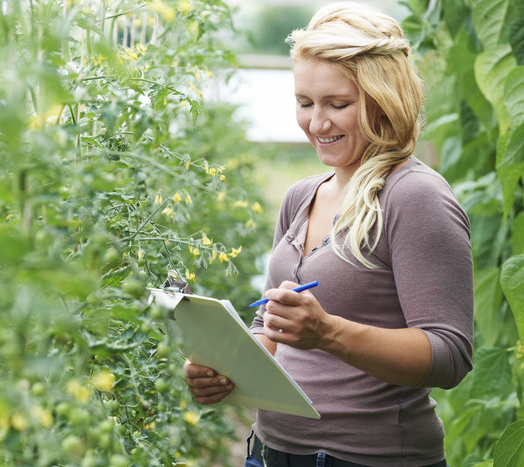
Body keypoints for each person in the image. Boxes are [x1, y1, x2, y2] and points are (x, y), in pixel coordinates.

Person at [184, 2, 474, 466]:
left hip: (366, 458)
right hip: (269, 450)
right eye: (305, 103)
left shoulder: (413, 197)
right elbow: (270, 330)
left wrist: (328, 333)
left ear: (385, 98)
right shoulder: (302, 196)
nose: (317, 124)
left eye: (338, 105)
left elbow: (449, 355)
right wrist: (225, 366)